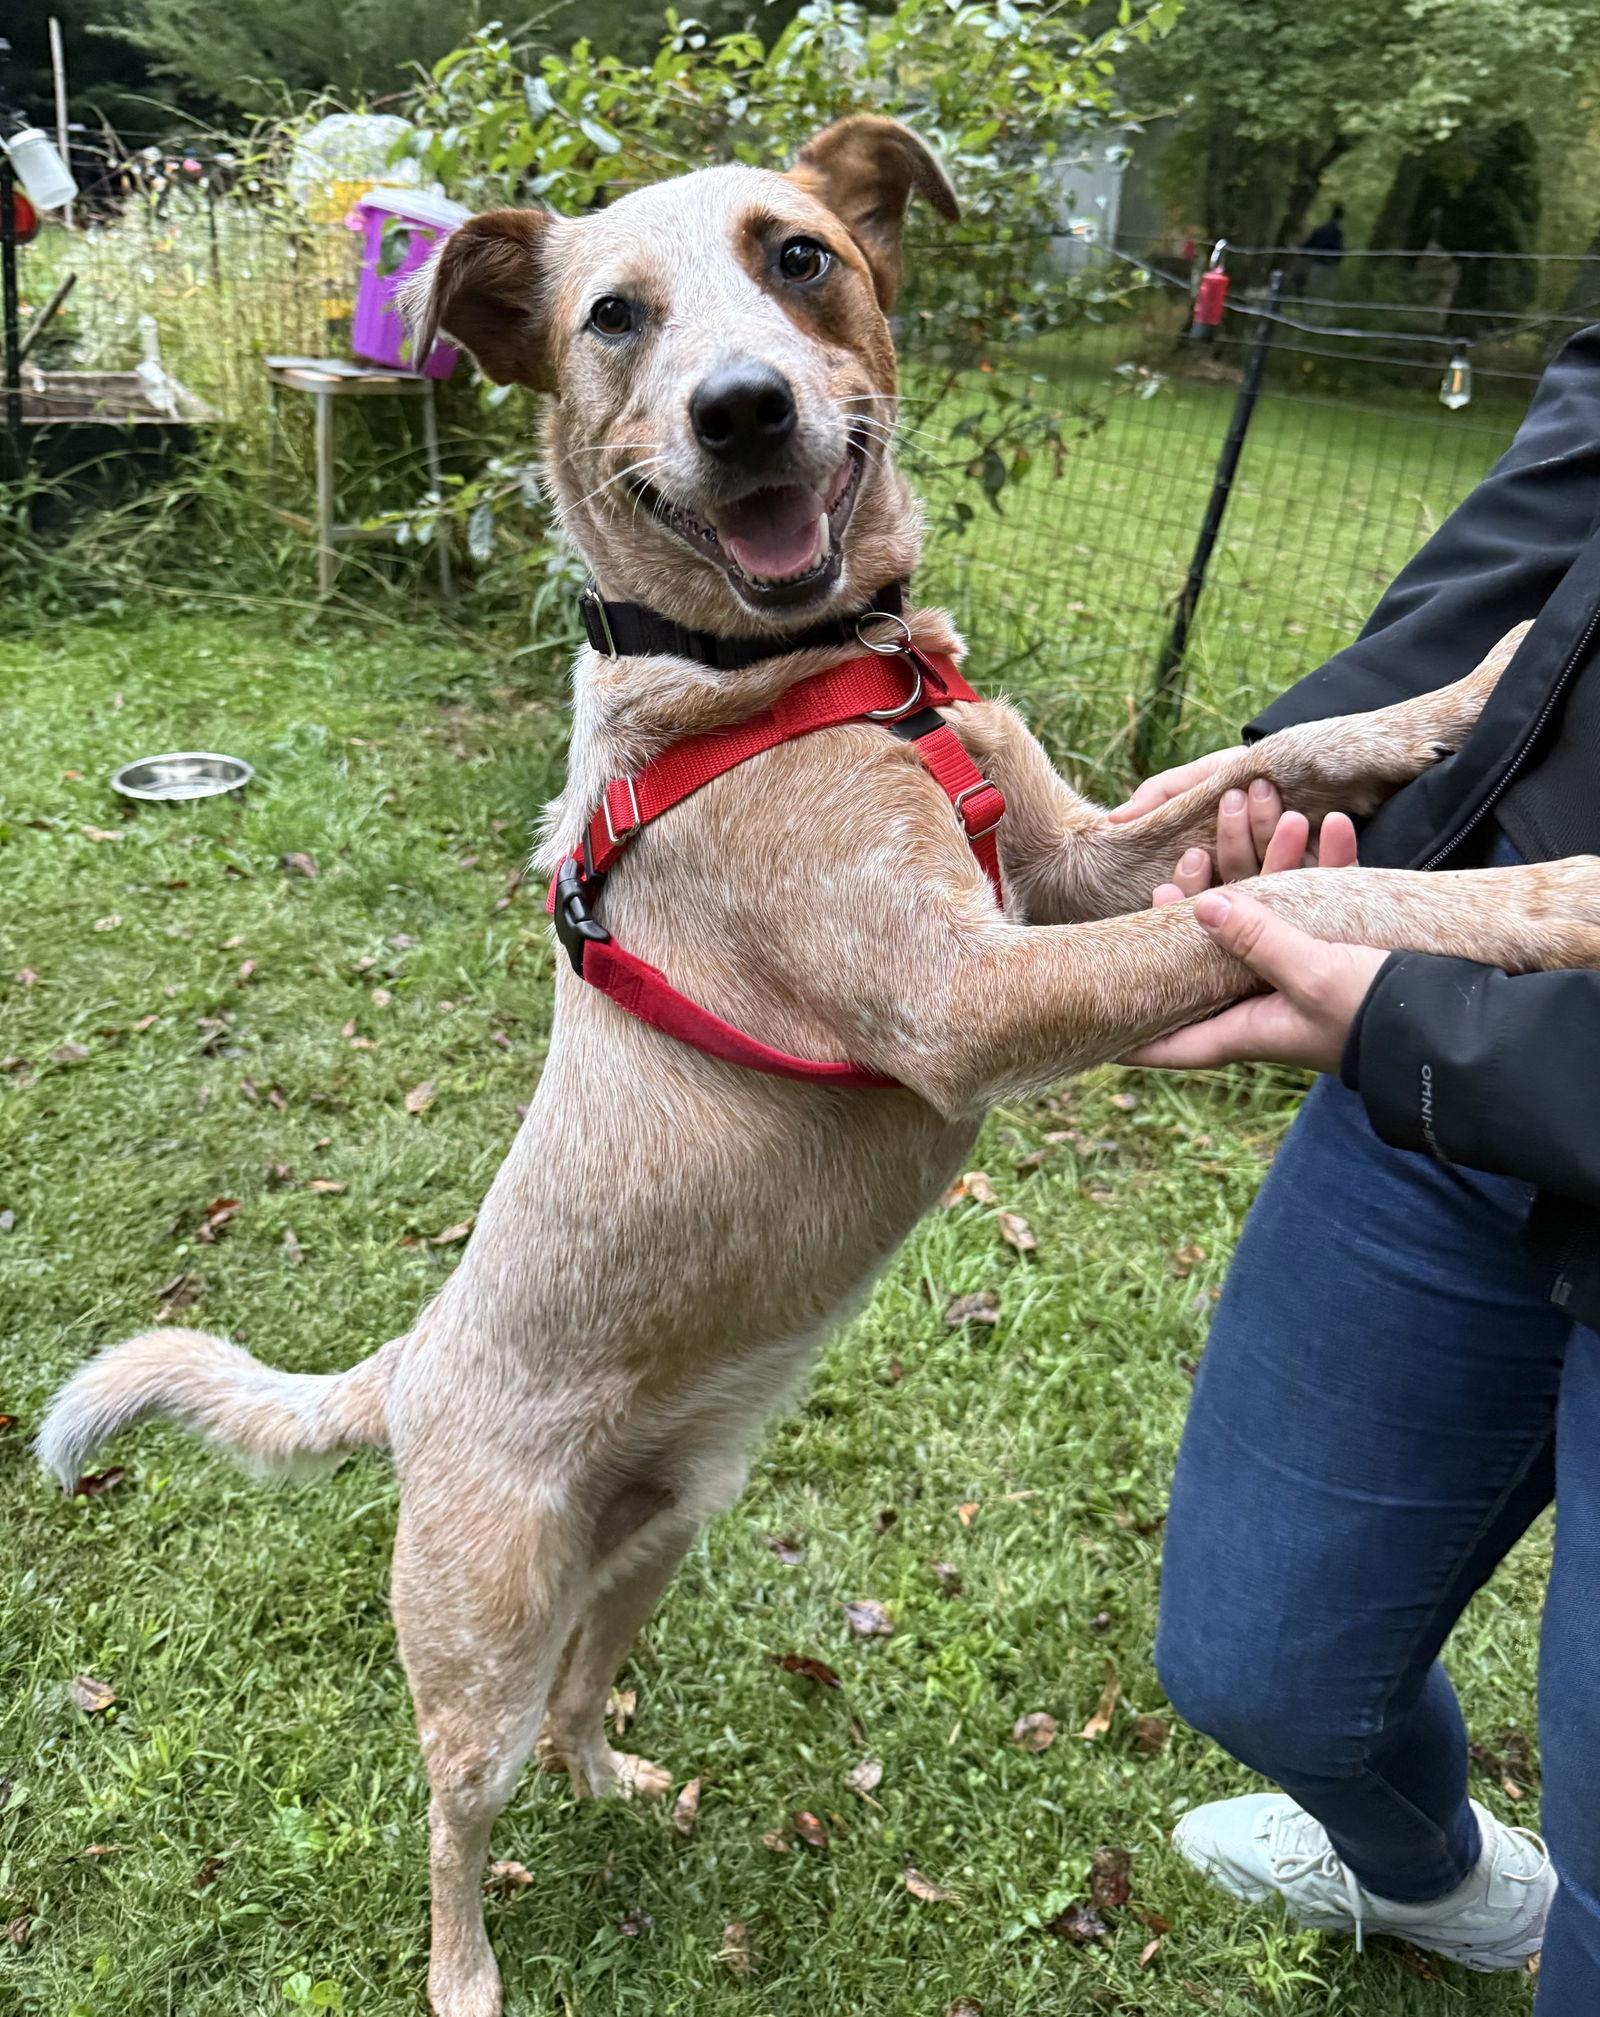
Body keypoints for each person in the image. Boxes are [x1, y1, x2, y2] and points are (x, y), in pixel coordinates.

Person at [1107, 322, 1600, 2012]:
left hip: (1466, 1024)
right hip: (1457, 1043)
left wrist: (1401, 1000)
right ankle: (1432, 1879)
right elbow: (1572, 482)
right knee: (1264, 1662)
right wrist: (1310, 752)